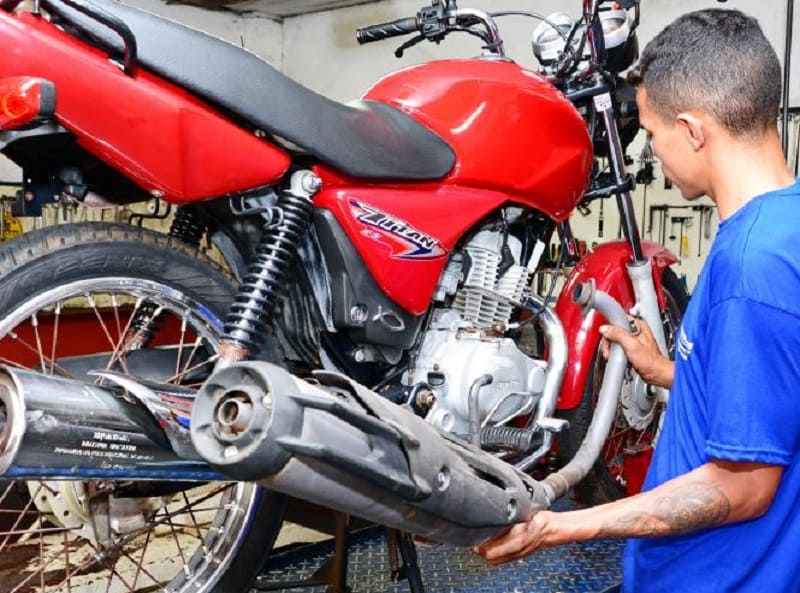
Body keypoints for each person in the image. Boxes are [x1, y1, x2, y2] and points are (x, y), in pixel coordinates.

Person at [475, 8, 800, 593]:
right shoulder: (785, 226)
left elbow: (744, 486)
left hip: (714, 577)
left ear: (693, 130)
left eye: (652, 133)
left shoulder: (751, 264)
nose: (654, 151)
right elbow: (773, 393)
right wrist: (667, 371)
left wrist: (562, 525)